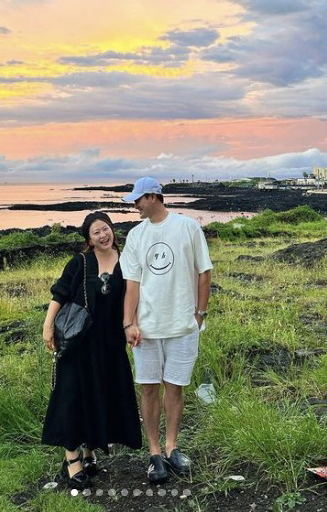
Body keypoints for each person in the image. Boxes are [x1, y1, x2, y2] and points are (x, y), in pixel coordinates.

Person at [120, 177, 212, 484]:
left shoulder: (188, 228)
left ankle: (172, 447)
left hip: (183, 325)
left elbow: (204, 271)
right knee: (148, 387)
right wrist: (128, 322)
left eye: (138, 200)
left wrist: (200, 313)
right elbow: (131, 282)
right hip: (147, 327)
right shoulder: (135, 235)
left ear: (153, 196)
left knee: (175, 387)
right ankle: (155, 452)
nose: (134, 205)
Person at [41, 212, 142, 489]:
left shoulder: (127, 262)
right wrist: (48, 326)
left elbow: (135, 297)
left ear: (113, 231)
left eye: (106, 229)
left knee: (102, 395)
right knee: (73, 396)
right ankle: (71, 459)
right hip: (79, 342)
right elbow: (59, 294)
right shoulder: (80, 262)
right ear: (89, 238)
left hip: (110, 344)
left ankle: (90, 451)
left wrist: (133, 326)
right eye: (96, 232)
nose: (103, 235)